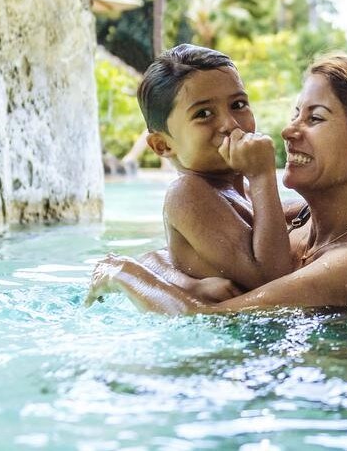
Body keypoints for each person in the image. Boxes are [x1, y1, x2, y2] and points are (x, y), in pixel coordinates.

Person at [85, 54, 347, 314]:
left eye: (314, 118)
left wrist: (121, 274)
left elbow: (204, 317)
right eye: (296, 113)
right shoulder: (299, 219)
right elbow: (174, 250)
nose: (288, 132)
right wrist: (182, 279)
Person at [125, 44, 294, 301]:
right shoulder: (187, 192)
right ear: (162, 144)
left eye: (238, 104)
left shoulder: (242, 193)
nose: (230, 124)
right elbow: (273, 280)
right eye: (203, 114)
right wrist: (262, 176)